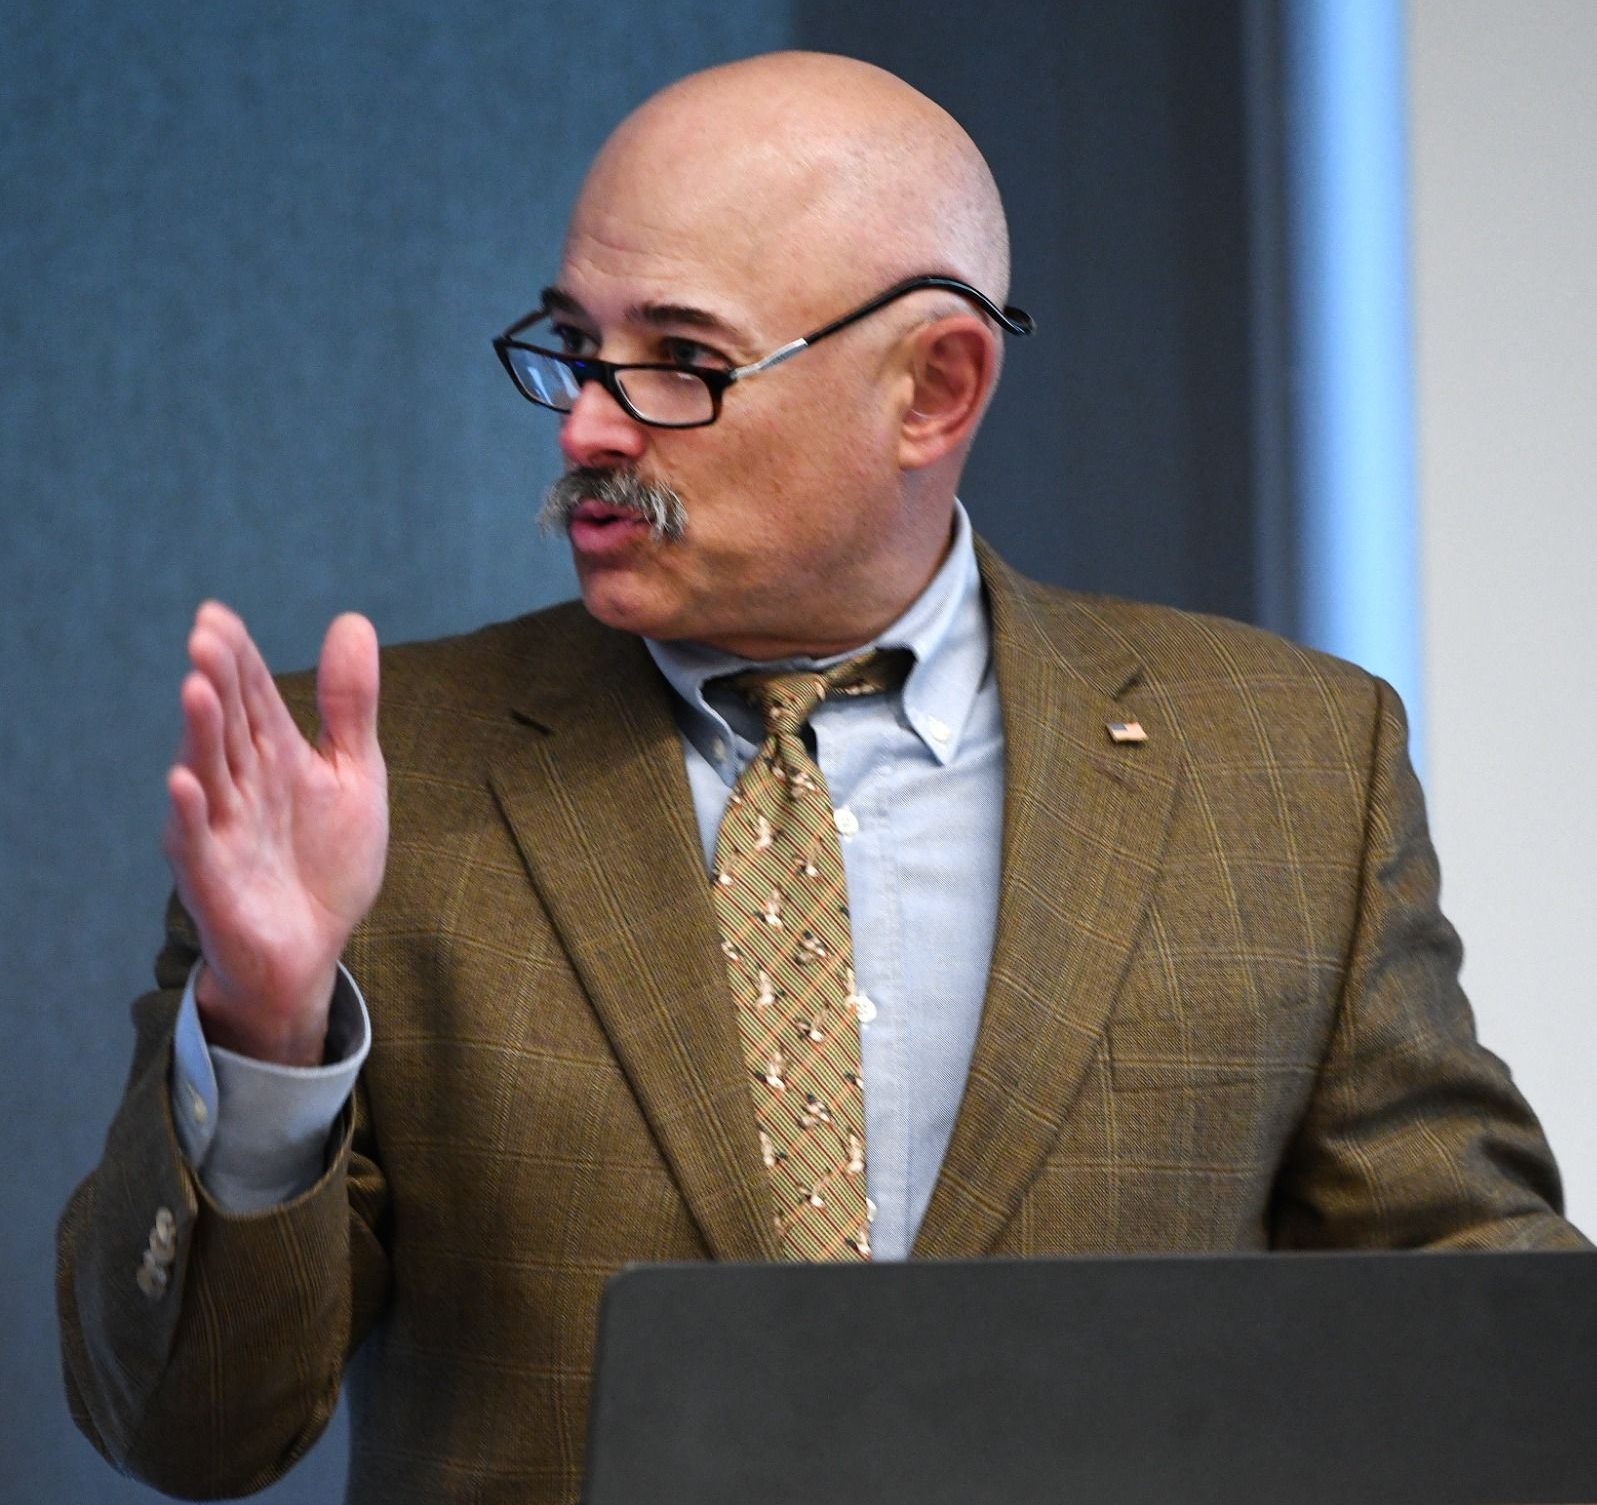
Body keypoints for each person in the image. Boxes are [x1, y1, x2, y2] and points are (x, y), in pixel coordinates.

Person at [57, 50, 1586, 1505]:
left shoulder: (1287, 768)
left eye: (681, 360)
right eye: (576, 344)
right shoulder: (374, 783)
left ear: (934, 387)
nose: (588, 422)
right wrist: (267, 1033)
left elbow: (1481, 1333)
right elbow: (191, 1429)